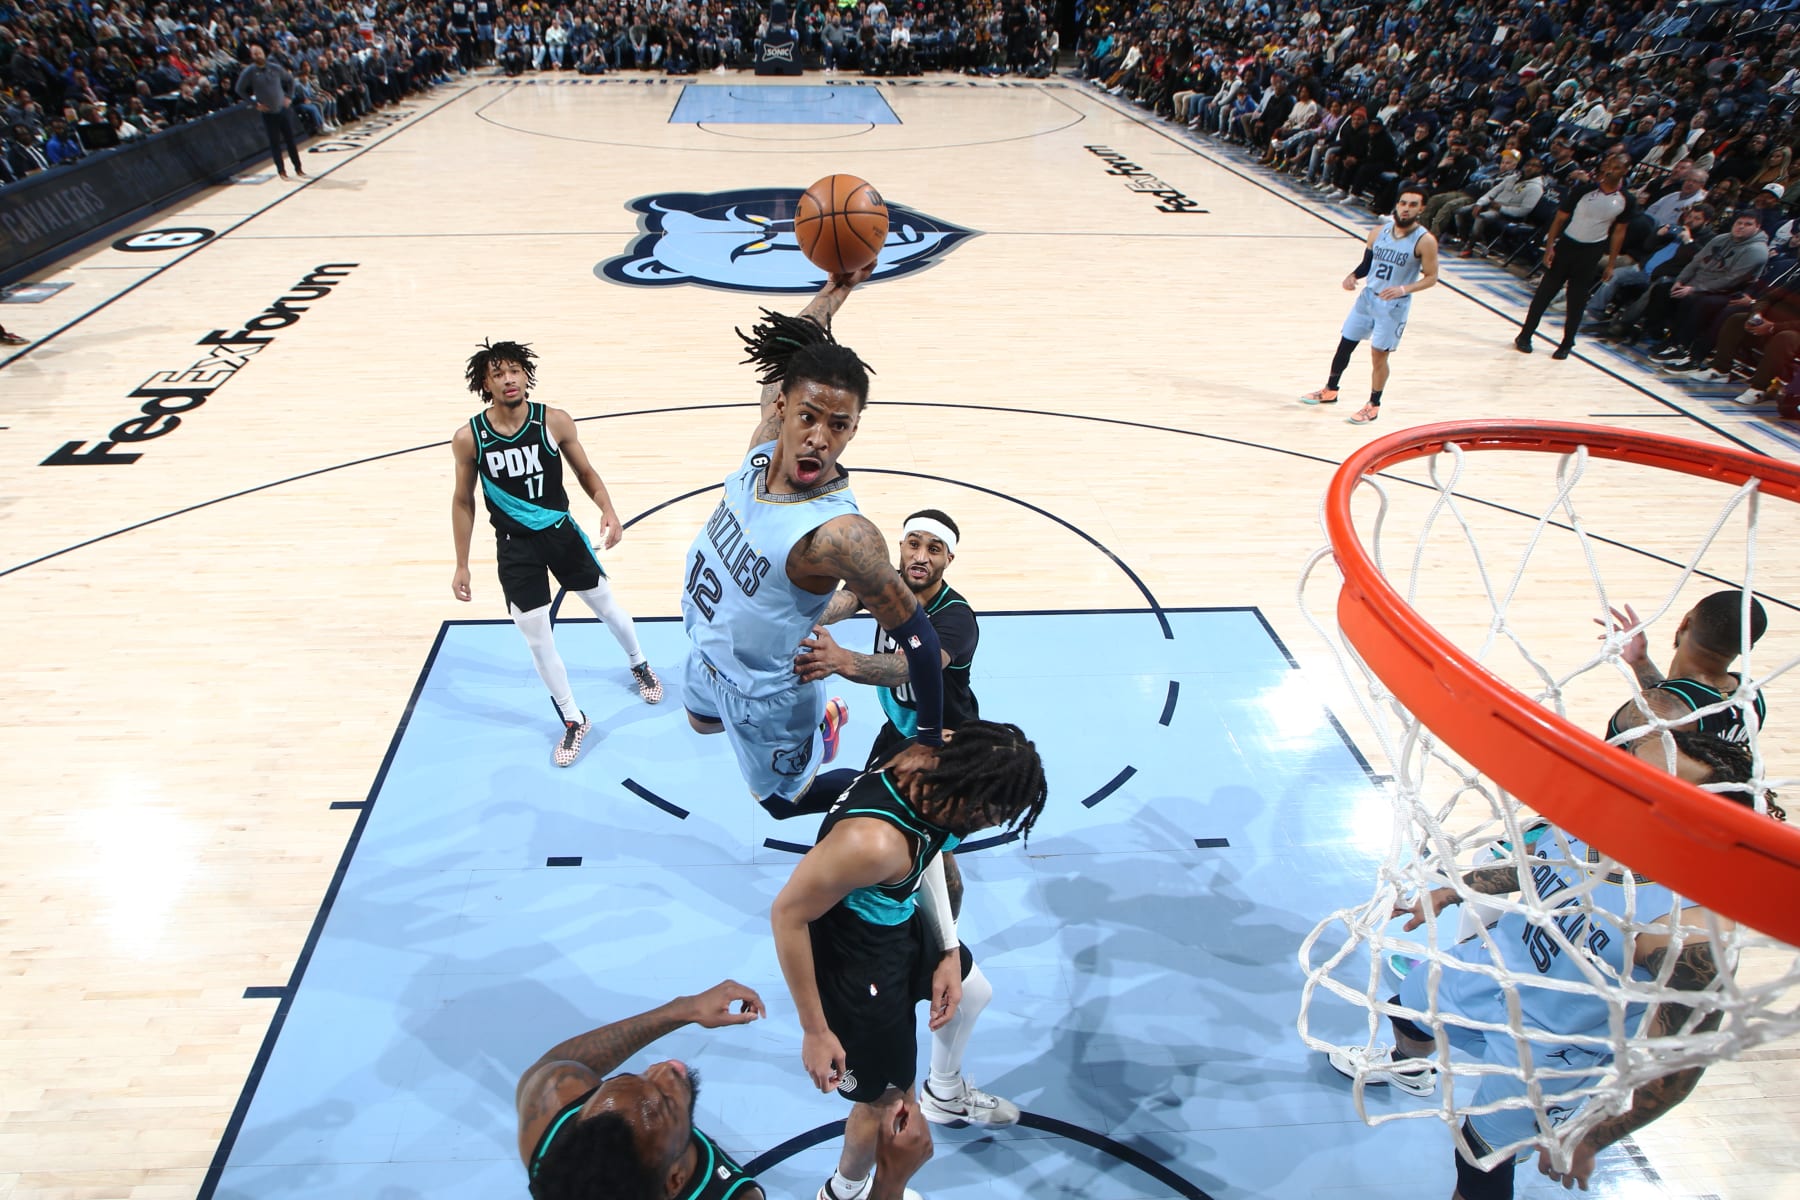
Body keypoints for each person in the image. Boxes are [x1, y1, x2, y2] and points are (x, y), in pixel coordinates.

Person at [1329, 730, 1771, 1199]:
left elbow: (1676, 1067)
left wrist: (1597, 1133)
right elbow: (1531, 863)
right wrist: (1452, 888)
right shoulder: (1590, 819)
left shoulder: (1691, 929)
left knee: (1477, 1159)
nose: (1628, 784)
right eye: (1631, 767)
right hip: (1493, 965)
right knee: (1406, 1011)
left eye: (1657, 786)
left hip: (1552, 1048)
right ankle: (1411, 1068)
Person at [681, 269, 948, 817]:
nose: (820, 438)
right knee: (700, 722)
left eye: (840, 425)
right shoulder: (761, 448)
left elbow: (919, 639)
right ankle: (804, 726)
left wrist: (925, 738)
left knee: (783, 802)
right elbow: (794, 346)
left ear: (853, 429)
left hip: (768, 696)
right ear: (781, 406)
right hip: (707, 653)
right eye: (808, 416)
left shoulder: (842, 536)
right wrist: (835, 291)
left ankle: (896, 796)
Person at [771, 722, 1047, 1200]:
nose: (991, 823)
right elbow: (787, 916)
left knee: (973, 991)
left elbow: (930, 848)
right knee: (885, 1103)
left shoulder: (933, 758)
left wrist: (947, 948)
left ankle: (943, 1093)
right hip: (856, 964)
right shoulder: (871, 845)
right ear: (967, 793)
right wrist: (816, 1031)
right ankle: (845, 1191)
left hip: (898, 925)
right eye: (991, 813)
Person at [515, 978, 933, 1200]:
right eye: (663, 1103)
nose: (665, 1069)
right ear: (675, 1181)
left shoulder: (552, 1115)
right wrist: (890, 1181)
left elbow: (559, 1069)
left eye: (635, 1077)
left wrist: (681, 1010)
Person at [450, 339, 664, 768]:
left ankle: (639, 663)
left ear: (526, 374)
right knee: (536, 637)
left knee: (607, 608)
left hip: (562, 534)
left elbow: (585, 472)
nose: (509, 379)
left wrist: (608, 508)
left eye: (514, 370)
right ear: (485, 384)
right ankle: (572, 718)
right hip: (514, 549)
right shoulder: (469, 438)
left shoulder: (554, 421)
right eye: (498, 374)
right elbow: (463, 501)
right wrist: (461, 564)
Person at [1301, 185, 1442, 425]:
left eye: (1412, 205)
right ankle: (1330, 390)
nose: (1406, 209)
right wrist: (1352, 276)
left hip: (1393, 305)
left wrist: (1403, 289)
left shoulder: (1425, 241)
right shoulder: (1378, 232)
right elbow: (1367, 264)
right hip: (1368, 298)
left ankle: (1373, 404)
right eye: (1403, 203)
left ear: (1422, 209)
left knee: (1378, 356)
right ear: (1397, 204)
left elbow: (1431, 277)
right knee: (1345, 343)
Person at [1600, 590, 1769, 748]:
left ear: (1685, 622)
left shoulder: (1658, 707)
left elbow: (1670, 713)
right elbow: (1681, 700)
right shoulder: (1750, 696)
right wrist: (1640, 662)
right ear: (1747, 648)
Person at [1515, 152, 1636, 360]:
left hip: (1591, 251)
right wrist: (1550, 245)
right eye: (1609, 165)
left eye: (1617, 167)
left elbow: (1619, 232)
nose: (1610, 170)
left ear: (1626, 170)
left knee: (1576, 299)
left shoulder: (1627, 199)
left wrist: (1611, 264)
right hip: (1567, 245)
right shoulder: (1584, 190)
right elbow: (1560, 218)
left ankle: (1567, 342)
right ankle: (1525, 335)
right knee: (1545, 292)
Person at [235, 44, 306, 181]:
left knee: (290, 140)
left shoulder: (275, 67)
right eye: (254, 54)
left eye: (259, 52)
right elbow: (239, 89)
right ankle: (281, 170)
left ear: (264, 53)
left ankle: (298, 167)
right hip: (268, 113)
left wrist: (289, 97)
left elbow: (290, 80)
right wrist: (255, 104)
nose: (257, 55)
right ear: (251, 56)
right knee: (275, 143)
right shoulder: (249, 71)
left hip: (282, 109)